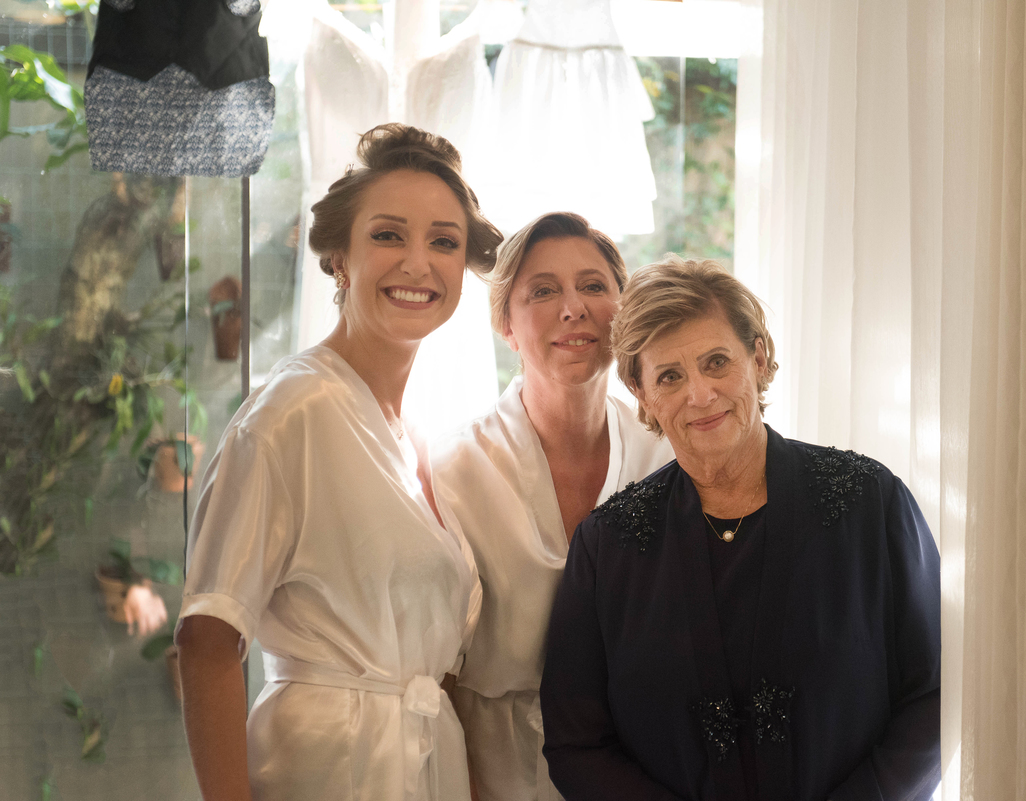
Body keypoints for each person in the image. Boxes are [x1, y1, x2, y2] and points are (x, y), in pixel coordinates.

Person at [175, 123, 504, 801]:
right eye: (388, 235)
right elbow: (206, 638)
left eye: (444, 242)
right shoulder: (292, 413)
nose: (418, 263)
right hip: (327, 767)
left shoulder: (416, 432)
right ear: (340, 258)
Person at [540, 256, 941, 801]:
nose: (700, 395)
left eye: (716, 362)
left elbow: (933, 695)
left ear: (758, 357)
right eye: (670, 376)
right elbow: (576, 743)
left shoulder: (871, 502)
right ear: (641, 391)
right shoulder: (606, 546)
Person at [430, 212, 675, 801]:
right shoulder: (455, 471)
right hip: (499, 774)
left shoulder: (667, 456)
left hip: (642, 771)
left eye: (593, 286)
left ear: (623, 309)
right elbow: (436, 677)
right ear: (506, 326)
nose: (573, 308)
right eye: (542, 291)